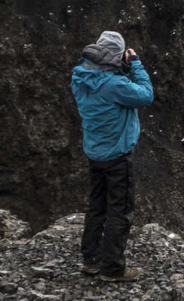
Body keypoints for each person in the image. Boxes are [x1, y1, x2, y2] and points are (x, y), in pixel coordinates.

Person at [70, 31, 153, 282]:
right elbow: (145, 95)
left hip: (95, 152)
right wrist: (135, 65)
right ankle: (113, 268)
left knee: (97, 206)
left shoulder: (80, 77)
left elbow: (106, 86)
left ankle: (91, 260)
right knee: (120, 209)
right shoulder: (115, 85)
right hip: (118, 155)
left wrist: (120, 68)